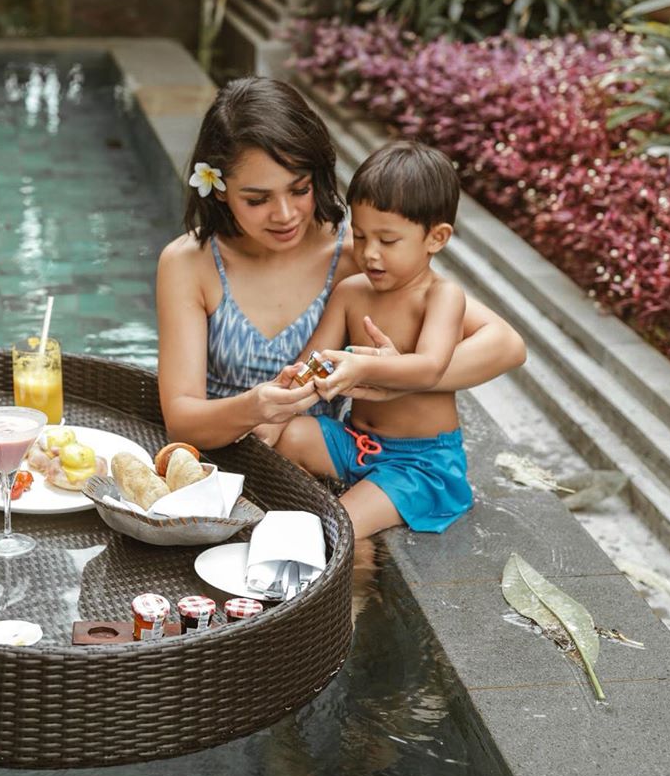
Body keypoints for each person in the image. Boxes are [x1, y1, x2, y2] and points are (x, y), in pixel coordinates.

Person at [156, 77, 526, 509]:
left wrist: (393, 376)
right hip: (216, 466)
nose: (285, 214)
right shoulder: (191, 263)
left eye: (300, 189)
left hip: (316, 466)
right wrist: (256, 406)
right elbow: (182, 422)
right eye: (257, 199)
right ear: (219, 190)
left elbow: (506, 346)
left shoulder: (355, 256)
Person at [274, 139, 478, 539]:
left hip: (418, 463)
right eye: (362, 236)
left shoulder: (441, 296)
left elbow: (429, 367)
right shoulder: (352, 291)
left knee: (337, 525)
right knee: (289, 435)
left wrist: (364, 365)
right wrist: (278, 407)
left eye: (388, 241)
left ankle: (320, 533)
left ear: (435, 238)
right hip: (355, 442)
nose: (369, 254)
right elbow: (315, 359)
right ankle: (304, 507)